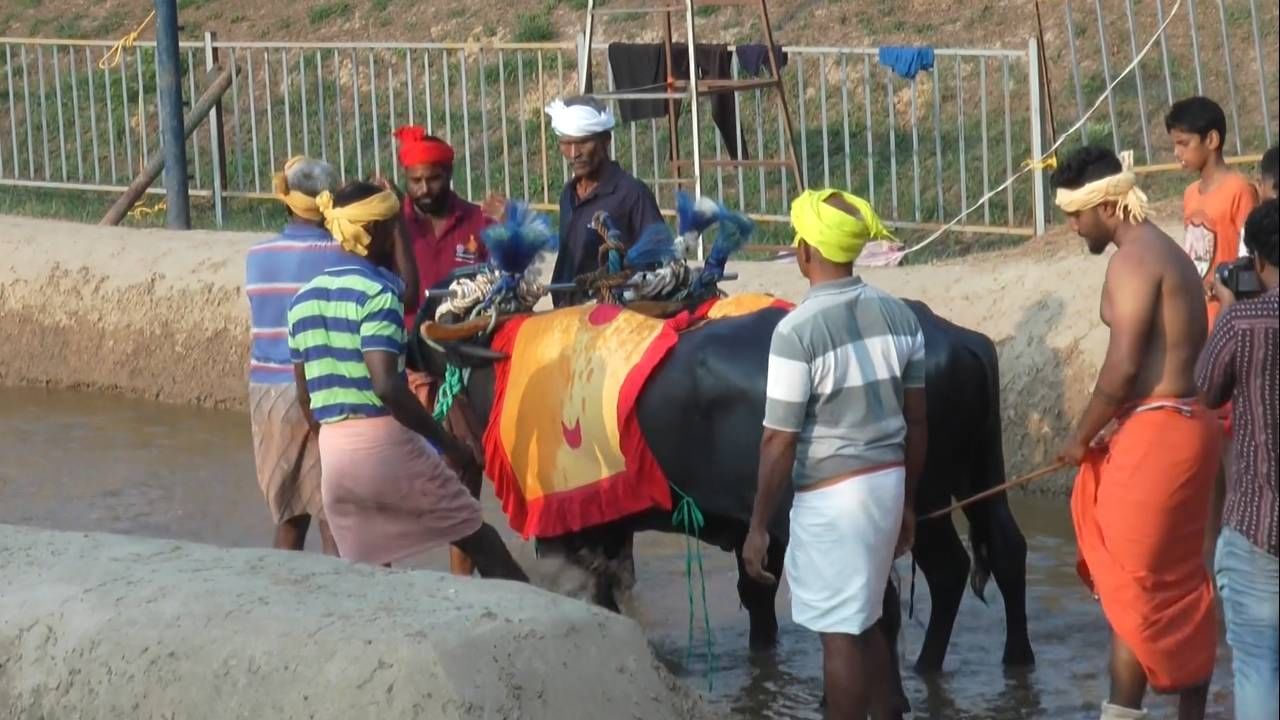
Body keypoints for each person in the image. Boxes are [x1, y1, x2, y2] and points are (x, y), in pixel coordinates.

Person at [741, 189, 924, 719]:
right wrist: (908, 502)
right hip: (887, 485)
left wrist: (757, 527)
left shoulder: (795, 332)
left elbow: (779, 438)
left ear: (804, 252)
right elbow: (918, 421)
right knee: (867, 620)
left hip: (832, 498)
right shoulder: (900, 315)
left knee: (839, 635)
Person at [1052, 146, 1221, 720]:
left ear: (1103, 204)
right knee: (1185, 585)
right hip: (1192, 429)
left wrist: (1081, 436)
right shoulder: (1170, 251)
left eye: (1075, 215)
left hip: (1156, 434)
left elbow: (1122, 367)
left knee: (1133, 595)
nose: (1073, 227)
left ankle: (1121, 714)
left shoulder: (1131, 261)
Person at [286, 180, 527, 580]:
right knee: (480, 539)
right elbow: (387, 386)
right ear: (379, 231)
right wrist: (448, 443)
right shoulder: (378, 295)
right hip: (382, 443)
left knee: (369, 576)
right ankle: (543, 630)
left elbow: (305, 398)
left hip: (333, 454)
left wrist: (334, 438)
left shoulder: (303, 300)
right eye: (392, 225)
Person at [383, 126, 495, 577]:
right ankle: (379, 579)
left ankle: (460, 583)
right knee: (388, 480)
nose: (424, 189)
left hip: (461, 369)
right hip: (403, 365)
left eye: (433, 179)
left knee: (464, 470)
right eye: (415, 181)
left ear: (449, 173)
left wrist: (516, 225)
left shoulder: (480, 222)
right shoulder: (392, 225)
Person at [1195, 199, 1279, 720]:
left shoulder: (1243, 321)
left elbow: (1205, 390)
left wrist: (1227, 307)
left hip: (1257, 524)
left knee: (1256, 666)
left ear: (1259, 262)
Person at [244, 156, 344, 555]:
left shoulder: (257, 255)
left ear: (286, 203)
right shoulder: (341, 254)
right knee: (333, 513)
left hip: (268, 392)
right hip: (325, 388)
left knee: (288, 516)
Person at [544, 95, 663, 307]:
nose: (573, 154)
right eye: (566, 143)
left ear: (606, 141)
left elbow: (657, 260)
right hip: (566, 316)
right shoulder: (568, 195)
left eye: (582, 143)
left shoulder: (631, 194)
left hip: (612, 318)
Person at [1166, 96, 1259, 325]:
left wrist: (1222, 282)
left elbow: (1253, 258)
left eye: (1183, 143)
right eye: (1174, 144)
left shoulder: (1240, 190)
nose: (1177, 152)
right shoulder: (1189, 193)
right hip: (1196, 317)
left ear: (1212, 139)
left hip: (1229, 318)